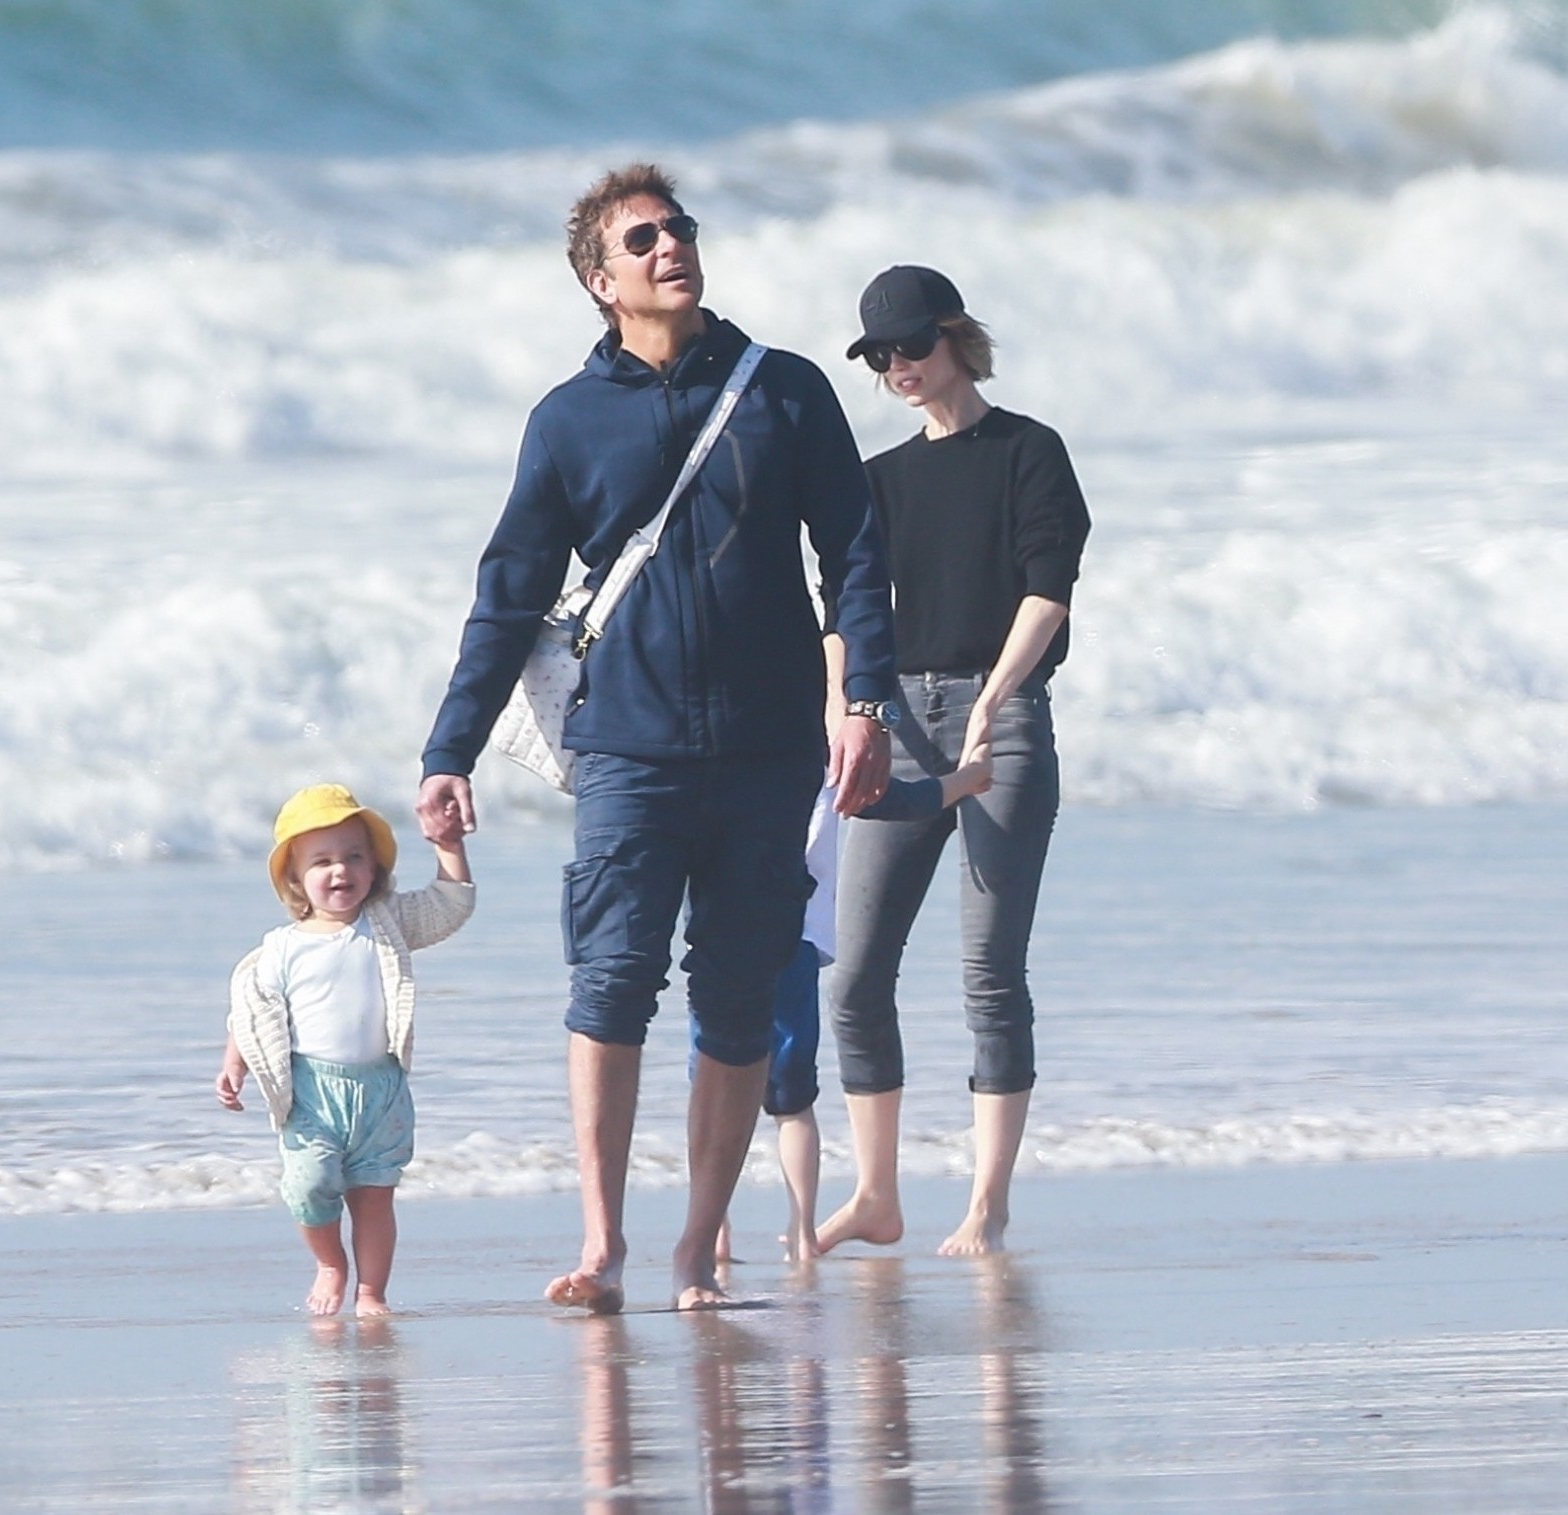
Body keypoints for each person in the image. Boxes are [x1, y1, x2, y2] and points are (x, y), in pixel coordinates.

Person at [416, 163, 898, 1312]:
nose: (668, 246)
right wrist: (448, 751)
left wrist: (865, 703)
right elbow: (508, 592)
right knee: (609, 981)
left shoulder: (780, 389)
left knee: (736, 998)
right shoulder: (567, 421)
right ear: (600, 280)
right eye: (640, 239)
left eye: (677, 228)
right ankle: (601, 1244)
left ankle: (694, 1249)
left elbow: (855, 553)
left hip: (771, 748)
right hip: (627, 751)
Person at [816, 266, 1091, 1258]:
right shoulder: (878, 479)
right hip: (895, 720)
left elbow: (1047, 587)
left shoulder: (1028, 451)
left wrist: (993, 697)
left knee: (988, 973)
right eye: (878, 355)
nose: (896, 366)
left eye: (910, 346)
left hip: (1000, 718)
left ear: (953, 337)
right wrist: (843, 711)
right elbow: (845, 609)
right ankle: (875, 1195)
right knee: (852, 976)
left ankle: (986, 1205)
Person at [708, 633, 991, 1265]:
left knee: (716, 1084)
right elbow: (903, 801)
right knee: (791, 1101)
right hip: (791, 948)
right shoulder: (821, 762)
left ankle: (715, 1231)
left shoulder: (721, 764)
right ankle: (802, 1232)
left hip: (721, 945)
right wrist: (968, 779)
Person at [218, 783, 474, 1316]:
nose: (341, 870)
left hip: (381, 1091)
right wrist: (234, 1064)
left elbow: (449, 906)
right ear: (294, 878)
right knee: (309, 1185)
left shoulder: (387, 922)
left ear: (374, 867)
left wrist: (449, 846)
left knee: (375, 1196)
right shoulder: (281, 948)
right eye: (322, 861)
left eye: (355, 857)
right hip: (311, 1094)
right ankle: (330, 1263)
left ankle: (372, 1292)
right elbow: (251, 1011)